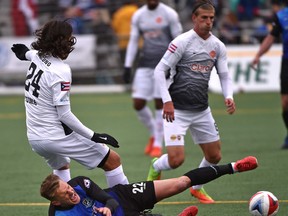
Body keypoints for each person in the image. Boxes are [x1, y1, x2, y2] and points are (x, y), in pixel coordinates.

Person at [10, 20, 129, 187]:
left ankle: (64, 211)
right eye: (69, 38)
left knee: (62, 165)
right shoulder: (61, 71)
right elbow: (64, 115)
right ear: (63, 41)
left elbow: (28, 54)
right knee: (112, 161)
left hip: (35, 138)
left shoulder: (37, 56)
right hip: (55, 136)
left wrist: (23, 53)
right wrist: (94, 136)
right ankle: (126, 210)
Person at [147, 0, 236, 204]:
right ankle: (156, 166)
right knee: (176, 160)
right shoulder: (182, 42)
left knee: (215, 157)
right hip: (176, 110)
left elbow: (224, 75)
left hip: (201, 110)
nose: (208, 22)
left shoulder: (217, 46)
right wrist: (167, 101)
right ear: (194, 18)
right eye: (203, 18)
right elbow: (159, 71)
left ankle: (196, 188)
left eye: (211, 18)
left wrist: (228, 96)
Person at [40, 156, 258, 215]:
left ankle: (234, 167)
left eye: (67, 187)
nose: (71, 191)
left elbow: (109, 199)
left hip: (123, 197)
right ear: (56, 201)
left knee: (181, 183)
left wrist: (107, 208)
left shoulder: (78, 183)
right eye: (66, 193)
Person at [123, 0, 183, 158]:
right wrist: (128, 65)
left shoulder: (169, 14)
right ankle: (154, 133)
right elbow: (134, 41)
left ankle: (157, 143)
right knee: (138, 103)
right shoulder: (139, 15)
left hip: (164, 64)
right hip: (144, 64)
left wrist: (176, 65)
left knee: (159, 102)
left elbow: (180, 41)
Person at [251, 0, 288, 149]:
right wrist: (258, 55)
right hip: (287, 62)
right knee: (285, 103)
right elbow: (271, 37)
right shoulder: (281, 16)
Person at [111, 0, 139, 65]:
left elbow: (114, 27)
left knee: (126, 65)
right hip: (137, 43)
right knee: (137, 65)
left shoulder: (119, 13)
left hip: (123, 43)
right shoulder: (137, 11)